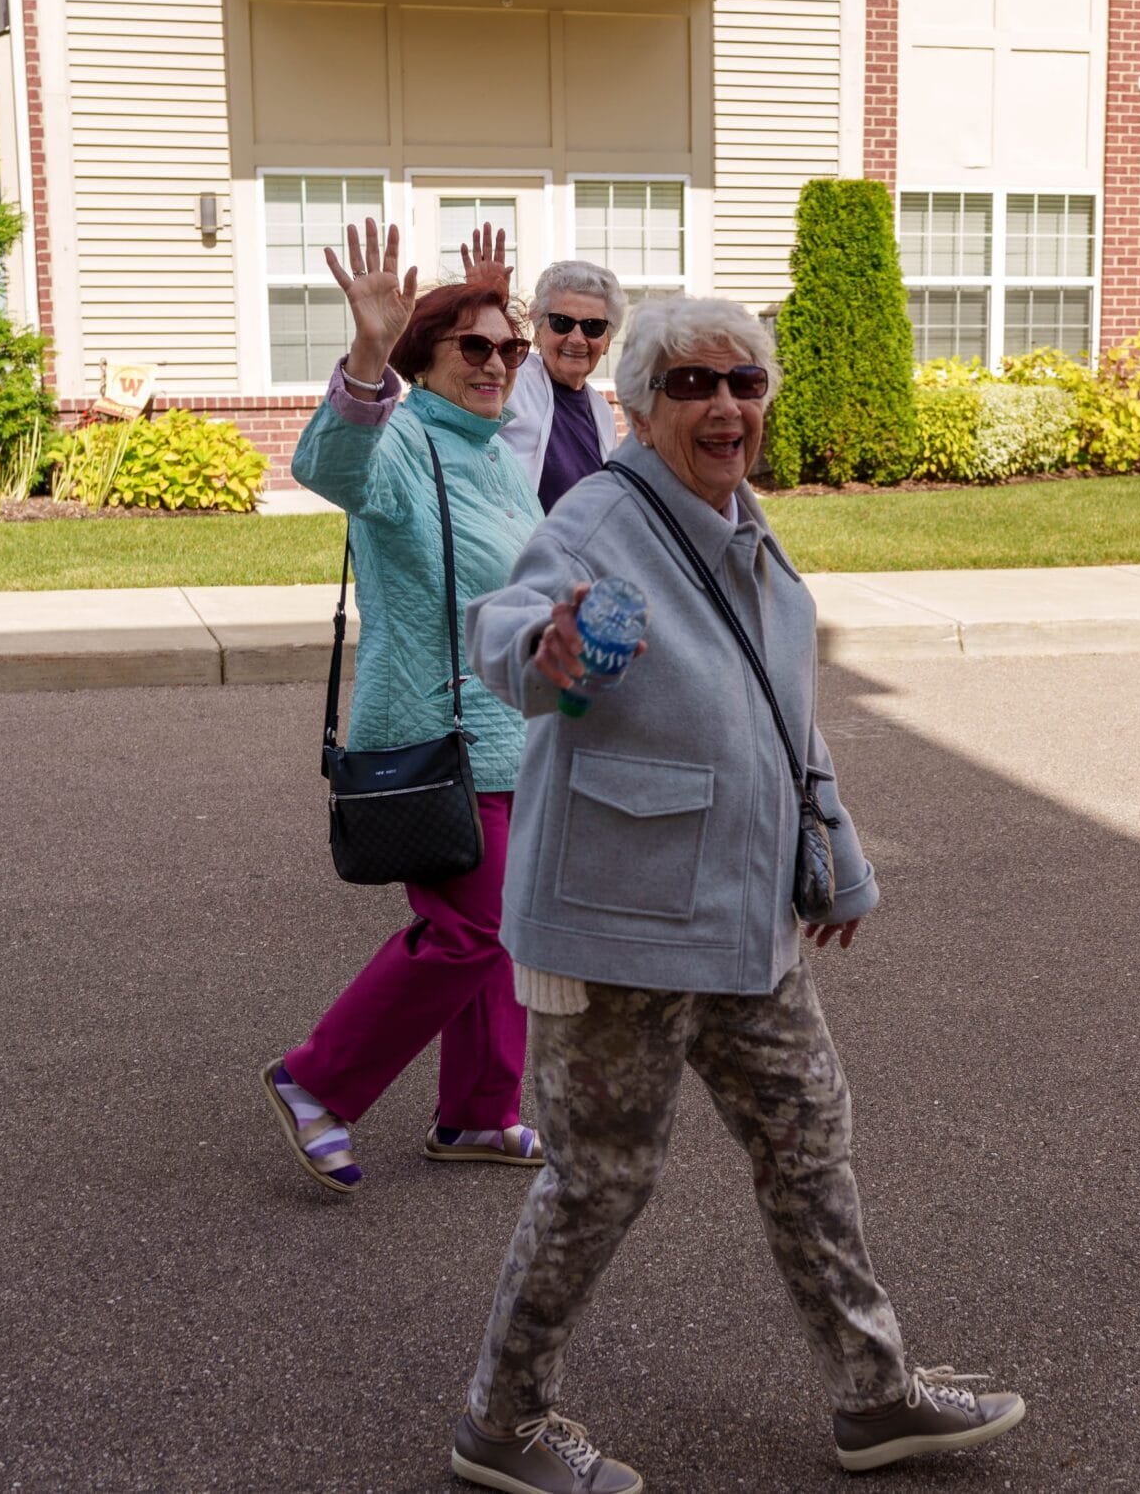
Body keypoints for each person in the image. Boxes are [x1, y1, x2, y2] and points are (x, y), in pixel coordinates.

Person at [449, 295, 1026, 1492]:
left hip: (742, 926)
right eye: (693, 385)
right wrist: (539, 652)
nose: (724, 407)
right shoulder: (599, 516)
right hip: (615, 929)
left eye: (743, 385)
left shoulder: (745, 529)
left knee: (810, 1146)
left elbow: (783, 718)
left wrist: (838, 855)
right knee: (600, 1181)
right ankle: (499, 1426)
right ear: (644, 405)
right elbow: (509, 617)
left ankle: (874, 1398)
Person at [258, 218, 546, 1194]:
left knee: (503, 933)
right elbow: (327, 468)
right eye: (475, 346)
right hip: (431, 729)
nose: (499, 362)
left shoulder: (495, 449)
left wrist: (488, 303)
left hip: (514, 730)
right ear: (426, 358)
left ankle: (478, 1113)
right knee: (477, 931)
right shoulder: (403, 438)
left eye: (512, 347)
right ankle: (315, 1081)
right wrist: (368, 353)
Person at [497, 254, 623, 511]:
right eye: (562, 323)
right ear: (538, 329)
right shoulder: (511, 378)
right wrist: (482, 308)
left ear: (608, 340)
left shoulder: (602, 412)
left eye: (593, 326)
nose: (577, 339)